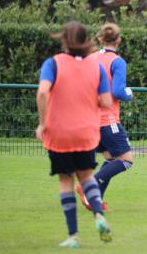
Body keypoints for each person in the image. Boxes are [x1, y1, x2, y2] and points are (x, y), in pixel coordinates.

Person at [35, 21, 113, 248]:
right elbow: (107, 102)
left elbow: (42, 93)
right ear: (86, 41)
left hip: (59, 133)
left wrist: (42, 123)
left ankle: (74, 236)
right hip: (86, 132)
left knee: (66, 181)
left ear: (64, 41)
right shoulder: (95, 66)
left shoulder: (53, 64)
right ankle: (99, 215)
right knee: (87, 176)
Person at [75, 23, 133, 211]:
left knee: (110, 158)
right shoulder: (117, 62)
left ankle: (95, 200)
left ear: (100, 39)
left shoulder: (90, 58)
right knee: (126, 160)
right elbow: (117, 91)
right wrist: (129, 94)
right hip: (107, 120)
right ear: (119, 40)